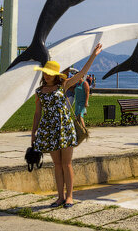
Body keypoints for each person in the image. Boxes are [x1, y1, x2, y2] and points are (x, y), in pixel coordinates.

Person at [30, 44, 103, 208]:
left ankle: (69, 196)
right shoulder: (40, 91)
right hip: (49, 130)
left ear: (56, 75)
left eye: (50, 74)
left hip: (64, 128)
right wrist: (33, 133)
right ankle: (60, 197)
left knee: (67, 164)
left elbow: (82, 74)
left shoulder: (63, 86)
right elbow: (37, 114)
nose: (47, 76)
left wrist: (93, 55)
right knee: (57, 165)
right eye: (45, 74)